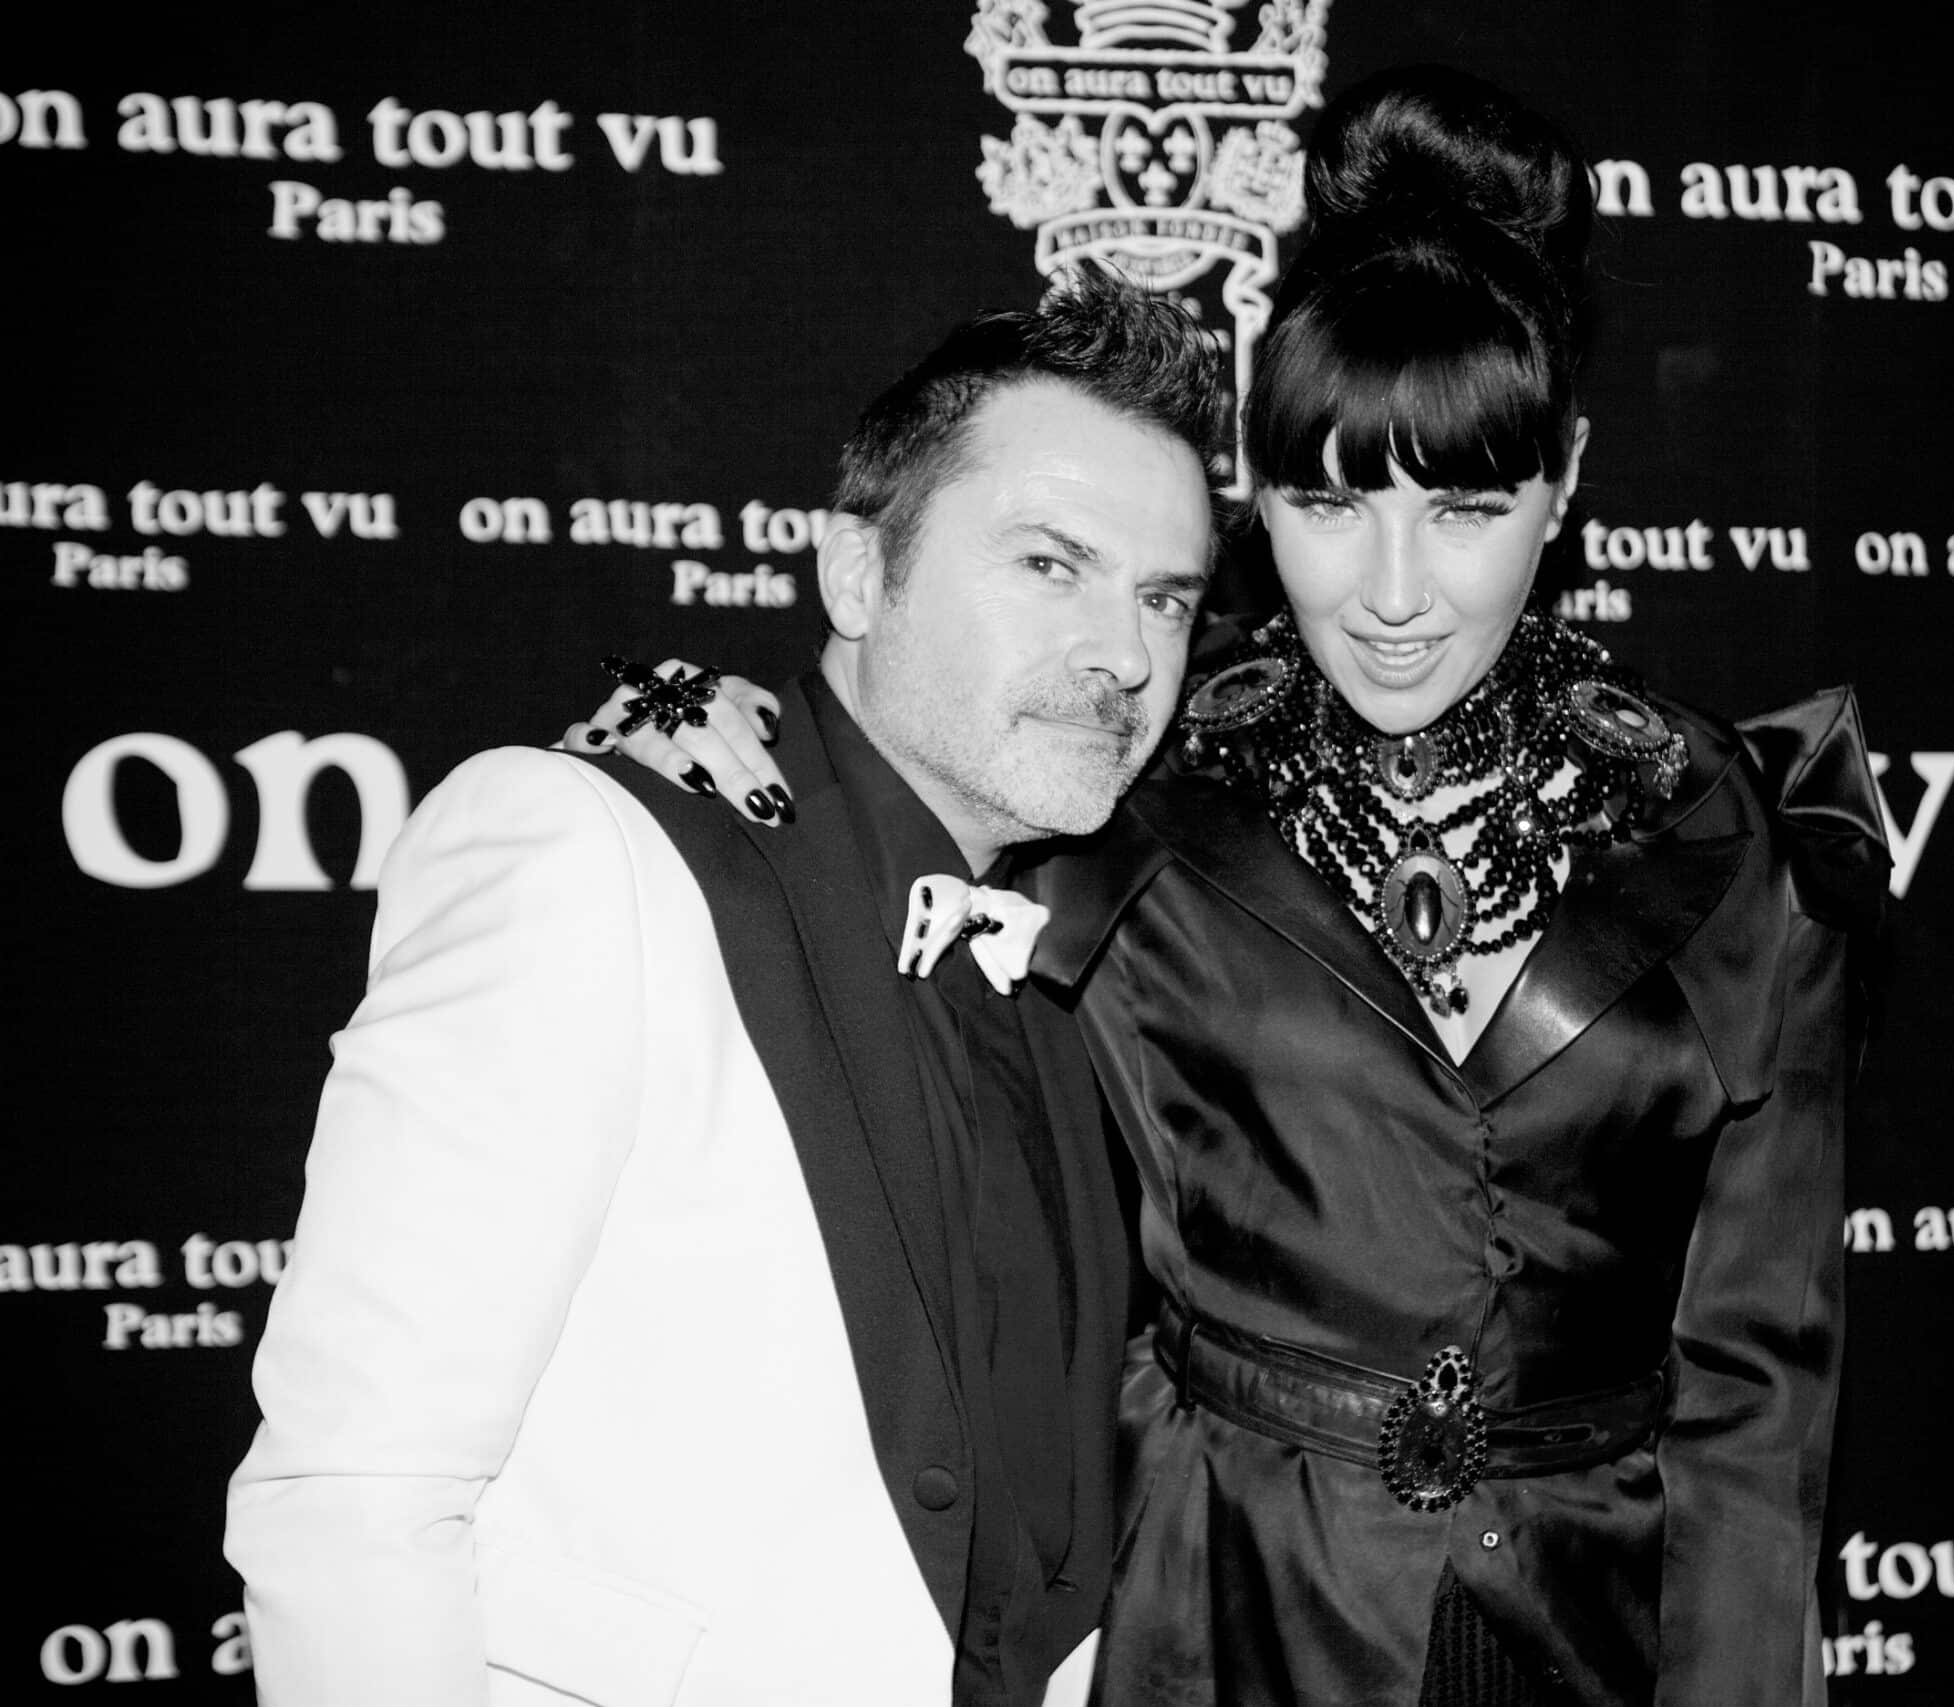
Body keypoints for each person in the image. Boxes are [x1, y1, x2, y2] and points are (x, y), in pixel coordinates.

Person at [588, 66, 1887, 1707]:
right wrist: (688, 731)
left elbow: (1760, 1383)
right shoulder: (1134, 765)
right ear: (1255, 492)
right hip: (1218, 1617)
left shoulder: (1734, 825)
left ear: (1565, 477)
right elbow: (888, 772)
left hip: (1594, 1635)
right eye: (1330, 500)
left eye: (1469, 507)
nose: (1397, 592)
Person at [224, 270, 1225, 1706]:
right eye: (1048, 565)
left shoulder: (1103, 955)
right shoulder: (587, 852)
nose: (1123, 654)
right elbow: (355, 1497)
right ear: (857, 573)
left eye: (1164, 598)